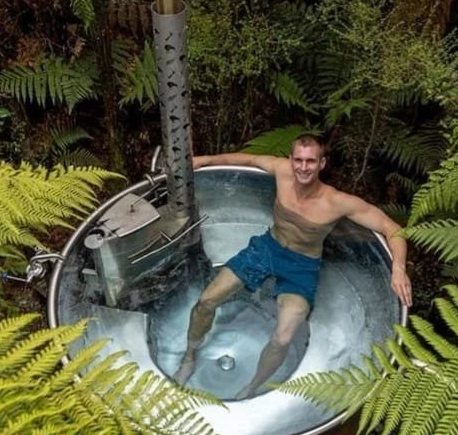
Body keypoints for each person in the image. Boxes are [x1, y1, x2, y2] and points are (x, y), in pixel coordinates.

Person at [175, 134, 412, 398]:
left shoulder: (336, 202)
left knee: (283, 337)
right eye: (298, 160)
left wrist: (398, 268)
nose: (303, 167)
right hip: (267, 249)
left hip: (302, 266)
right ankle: (189, 355)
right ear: (291, 159)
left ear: (322, 163)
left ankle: (251, 387)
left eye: (310, 161)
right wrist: (205, 160)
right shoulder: (282, 171)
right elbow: (247, 158)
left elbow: (393, 228)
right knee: (206, 300)